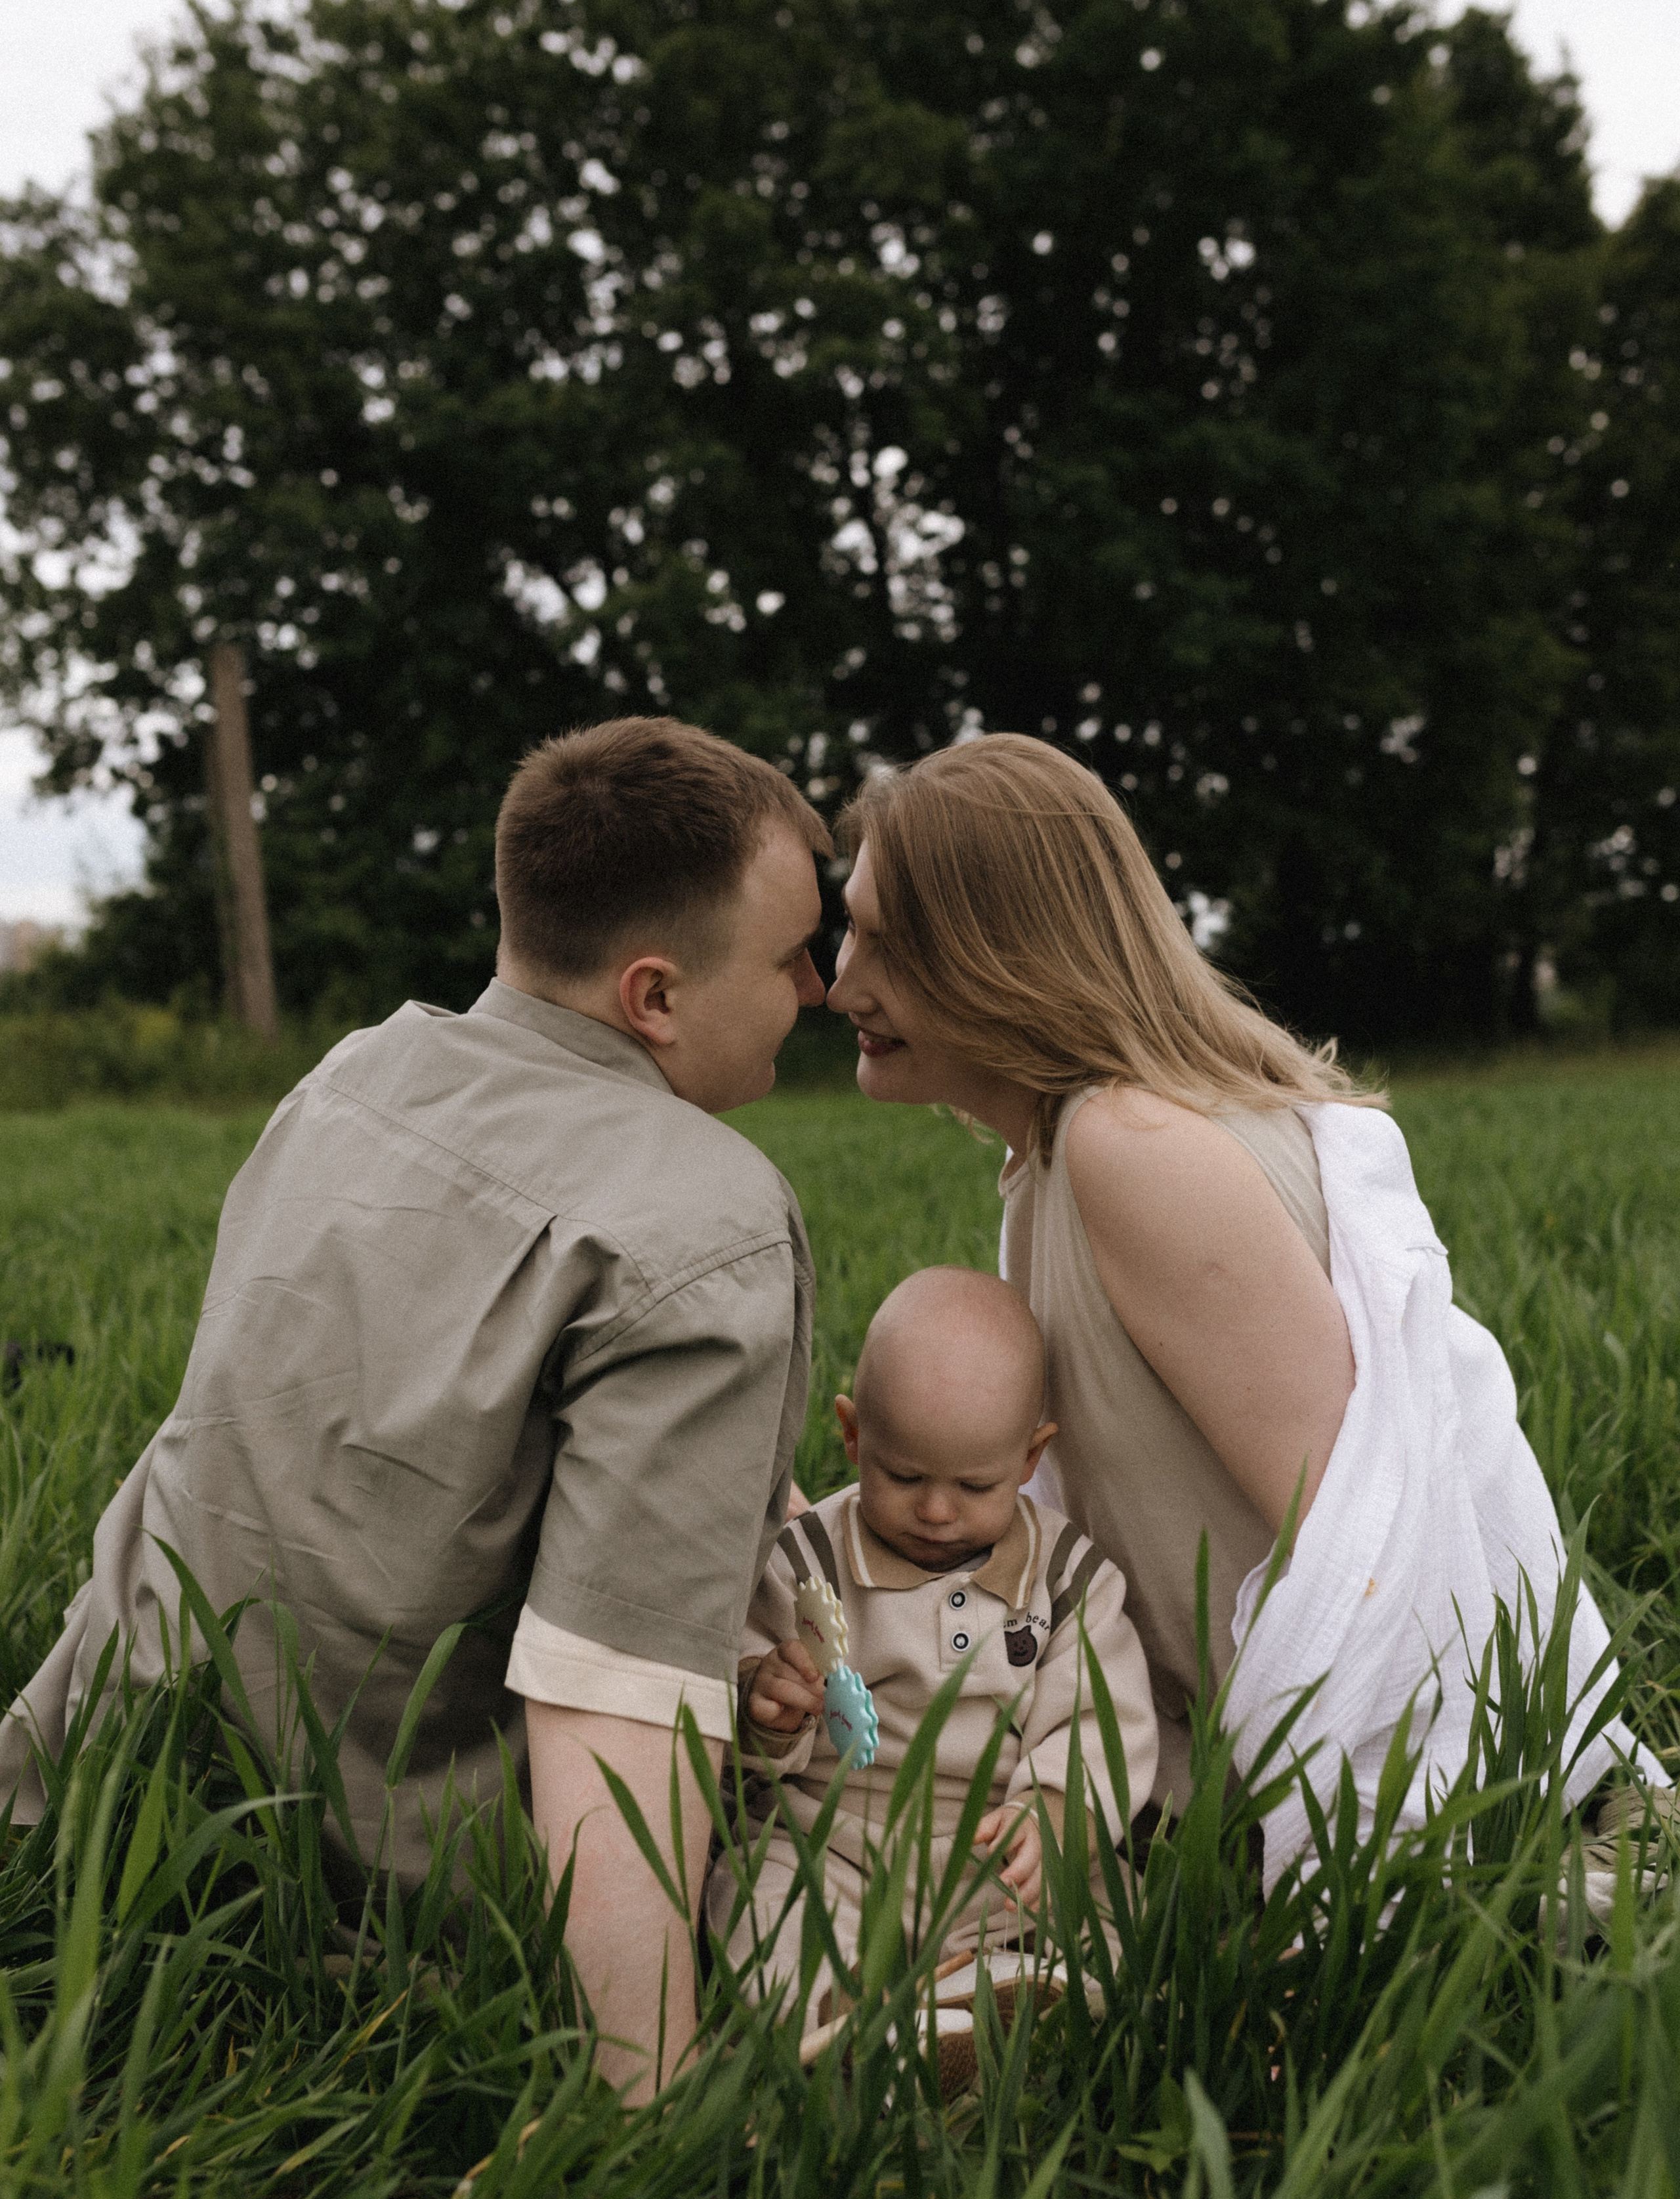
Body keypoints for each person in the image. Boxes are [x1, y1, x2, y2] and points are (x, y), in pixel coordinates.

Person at [0, 715, 832, 2097]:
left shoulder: (349, 1077)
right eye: (791, 952)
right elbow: (614, 1700)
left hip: (100, 1795)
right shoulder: (708, 1219)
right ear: (654, 995)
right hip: (386, 1904)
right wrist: (654, 2097)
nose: (816, 982)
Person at [826, 733, 1660, 1881]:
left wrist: (1331, 1864)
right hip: (1224, 1772)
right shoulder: (1054, 1162)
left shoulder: (1131, 1146)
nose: (840, 982)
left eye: (884, 941)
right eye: (847, 926)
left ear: (995, 954)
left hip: (1398, 1795)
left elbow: (1368, 1550)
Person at [705, 1266, 1156, 2046]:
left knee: (1101, 1904)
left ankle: (1002, 1993)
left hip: (993, 1848)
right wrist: (765, 1705)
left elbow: (1101, 1720)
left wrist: (1054, 1812)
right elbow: (743, 1730)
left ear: (1029, 1456)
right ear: (852, 1434)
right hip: (831, 1836)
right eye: (903, 1475)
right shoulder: (804, 1561)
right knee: (758, 1897)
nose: (937, 1510)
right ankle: (831, 2017)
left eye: (975, 1483)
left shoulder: (1070, 1579)